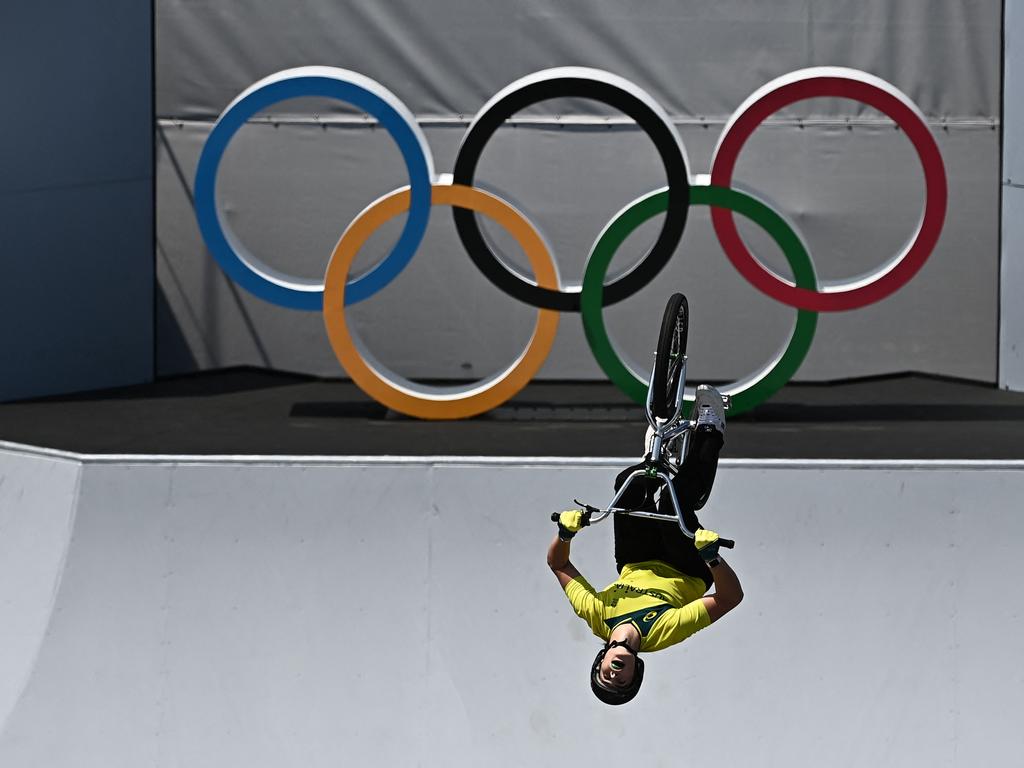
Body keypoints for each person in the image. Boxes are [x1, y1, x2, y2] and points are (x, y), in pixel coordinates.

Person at [546, 385, 744, 705]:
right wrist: (713, 558)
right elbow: (730, 598)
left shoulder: (597, 615)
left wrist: (564, 534)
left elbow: (558, 564)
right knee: (671, 501)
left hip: (635, 560)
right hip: (688, 567)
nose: (614, 675)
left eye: (606, 676)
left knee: (630, 483)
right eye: (621, 682)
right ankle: (711, 429)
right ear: (636, 671)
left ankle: (658, 453)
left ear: (601, 661)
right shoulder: (663, 632)